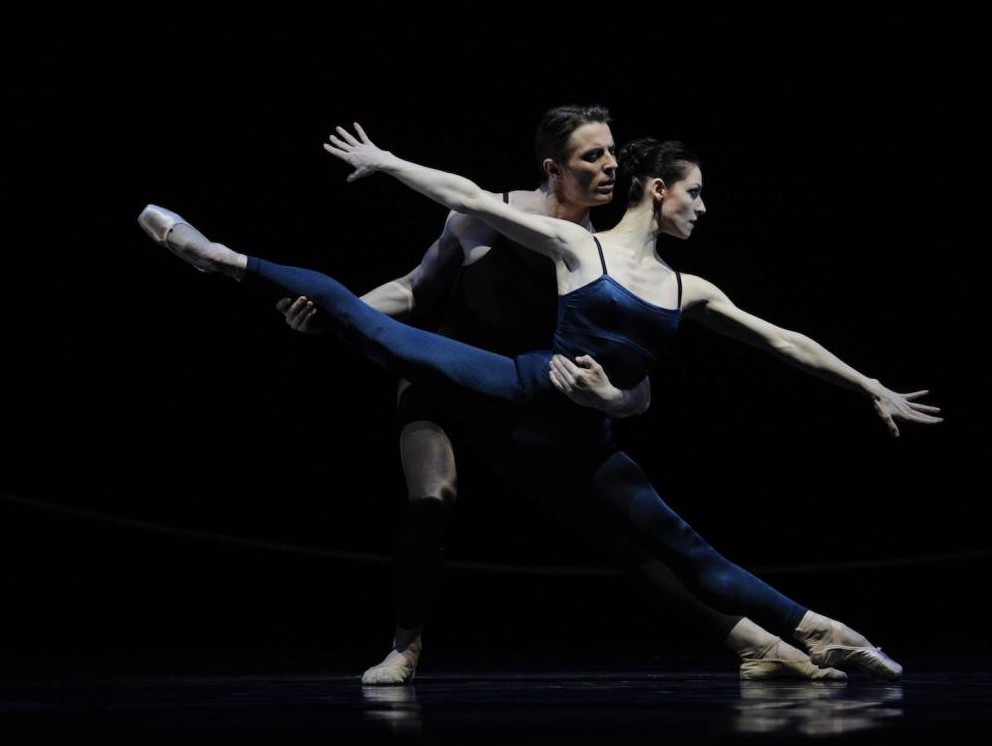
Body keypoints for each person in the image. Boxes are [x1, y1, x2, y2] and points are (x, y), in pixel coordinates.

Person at [137, 122, 941, 680]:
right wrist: (387, 162)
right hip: (515, 382)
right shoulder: (576, 244)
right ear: (660, 192)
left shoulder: (692, 288)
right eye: (694, 194)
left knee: (680, 546)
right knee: (371, 334)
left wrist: (868, 385)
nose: (703, 207)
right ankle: (220, 256)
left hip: (580, 437)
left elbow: (784, 340)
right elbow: (470, 198)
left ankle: (820, 634)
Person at [275, 107, 829, 683]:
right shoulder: (496, 215)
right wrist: (341, 312)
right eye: (593, 156)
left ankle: (751, 640)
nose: (611, 166)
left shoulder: (602, 252)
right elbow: (414, 290)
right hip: (444, 380)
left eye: (612, 152)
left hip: (523, 403)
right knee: (433, 498)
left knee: (617, 528)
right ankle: (404, 646)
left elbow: (635, 379)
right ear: (554, 169)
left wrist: (612, 398)